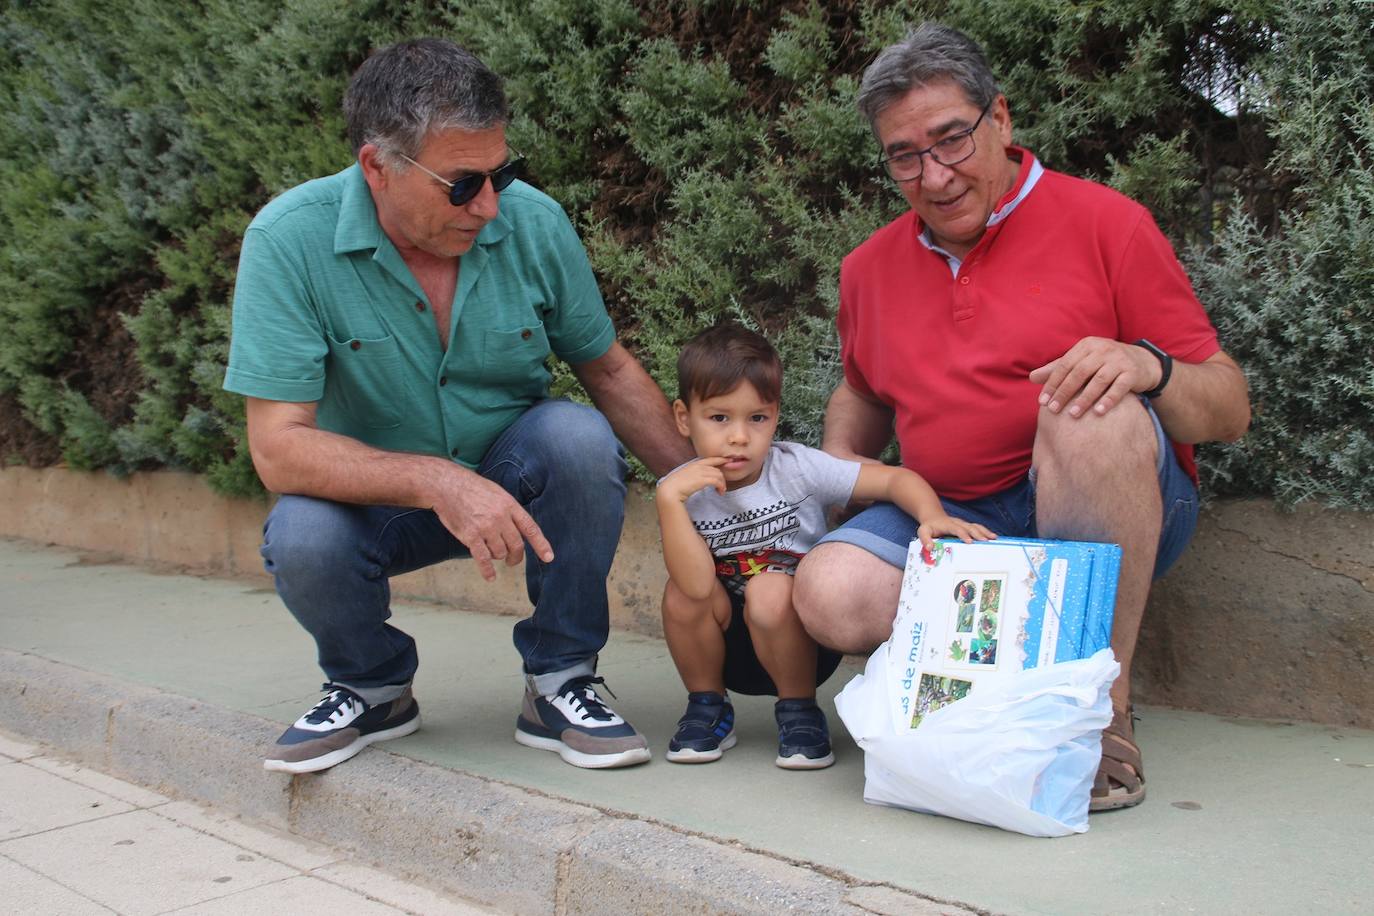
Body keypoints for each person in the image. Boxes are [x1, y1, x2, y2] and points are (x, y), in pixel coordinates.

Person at [792, 23, 1251, 810]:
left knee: (1089, 410)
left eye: (952, 139)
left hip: (1105, 500)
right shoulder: (867, 268)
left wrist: (1149, 366)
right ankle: (981, 686)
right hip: (953, 517)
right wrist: (841, 484)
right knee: (830, 591)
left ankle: (1097, 712)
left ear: (999, 118)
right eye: (905, 156)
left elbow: (1230, 405)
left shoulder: (1107, 223)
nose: (935, 176)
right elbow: (863, 392)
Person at [223, 38, 691, 775]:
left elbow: (607, 369)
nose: (489, 204)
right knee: (302, 532)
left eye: (501, 174)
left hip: (511, 479)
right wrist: (437, 482)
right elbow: (278, 447)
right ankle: (372, 685)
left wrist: (711, 503)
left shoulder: (533, 222)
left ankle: (561, 679)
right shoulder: (287, 241)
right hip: (378, 505)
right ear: (377, 166)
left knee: (576, 437)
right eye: (463, 183)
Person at [655, 324, 992, 768]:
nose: (739, 436)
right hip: (725, 651)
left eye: (757, 418)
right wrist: (668, 501)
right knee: (680, 594)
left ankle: (799, 711)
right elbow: (697, 589)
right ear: (684, 418)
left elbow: (894, 480)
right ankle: (707, 707)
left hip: (802, 640)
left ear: (775, 415)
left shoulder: (797, 468)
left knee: (768, 587)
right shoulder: (680, 491)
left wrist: (931, 515)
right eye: (719, 418)